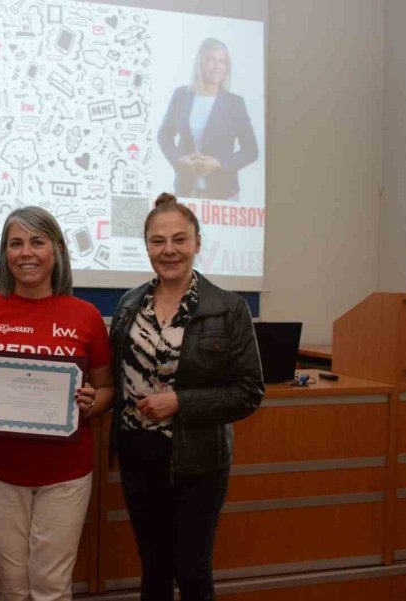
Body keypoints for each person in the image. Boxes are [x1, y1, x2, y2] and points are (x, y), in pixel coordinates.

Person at [0, 206, 114, 601]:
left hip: (67, 472)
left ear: (57, 250)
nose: (26, 253)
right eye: (15, 243)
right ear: (5, 254)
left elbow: (107, 389)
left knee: (52, 585)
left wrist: (92, 402)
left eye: (37, 242)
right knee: (12, 583)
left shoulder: (87, 315)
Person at [109, 193, 264, 600]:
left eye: (180, 239)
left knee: (193, 569)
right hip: (138, 456)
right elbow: (115, 375)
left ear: (198, 242)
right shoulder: (128, 305)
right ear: (146, 247)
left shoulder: (228, 308)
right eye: (158, 241)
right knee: (154, 567)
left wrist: (181, 402)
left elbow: (249, 391)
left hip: (197, 458)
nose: (169, 250)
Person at [158, 38, 259, 201]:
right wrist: (178, 159)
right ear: (201, 62)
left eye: (222, 61)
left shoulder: (234, 103)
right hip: (186, 190)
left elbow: (251, 150)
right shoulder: (181, 95)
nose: (216, 66)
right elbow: (164, 135)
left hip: (224, 193)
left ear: (227, 67)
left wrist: (219, 164)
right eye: (211, 59)